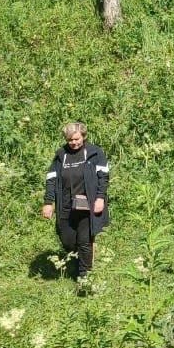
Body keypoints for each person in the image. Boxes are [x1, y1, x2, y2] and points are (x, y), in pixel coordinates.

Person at [42, 121, 109, 289]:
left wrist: (100, 198)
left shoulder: (94, 152)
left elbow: (103, 177)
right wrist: (48, 202)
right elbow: (51, 180)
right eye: (70, 139)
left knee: (84, 241)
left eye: (77, 139)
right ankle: (82, 258)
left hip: (87, 204)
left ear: (83, 136)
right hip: (65, 204)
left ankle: (84, 277)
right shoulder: (61, 155)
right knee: (68, 241)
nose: (74, 142)